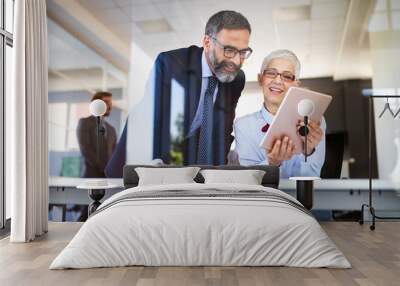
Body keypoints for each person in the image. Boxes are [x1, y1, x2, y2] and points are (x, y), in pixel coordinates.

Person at [105, 10, 252, 177]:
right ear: (207, 42)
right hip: (141, 149)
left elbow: (222, 129)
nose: (236, 61)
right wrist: (157, 170)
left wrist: (216, 175)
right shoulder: (172, 64)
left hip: (186, 154)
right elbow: (153, 121)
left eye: (242, 52)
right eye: (229, 50)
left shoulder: (236, 79)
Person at [233, 50, 326, 178]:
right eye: (271, 73)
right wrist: (272, 163)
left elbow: (311, 178)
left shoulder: (313, 122)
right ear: (260, 79)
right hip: (265, 198)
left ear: (296, 84)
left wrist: (308, 152)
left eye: (287, 76)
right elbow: (250, 180)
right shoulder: (243, 126)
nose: (278, 81)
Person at [77, 92, 117, 178]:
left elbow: (113, 154)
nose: (109, 106)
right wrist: (103, 168)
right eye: (106, 102)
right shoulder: (84, 122)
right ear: (95, 104)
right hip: (90, 176)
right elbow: (85, 149)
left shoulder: (111, 129)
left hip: (108, 178)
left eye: (110, 103)